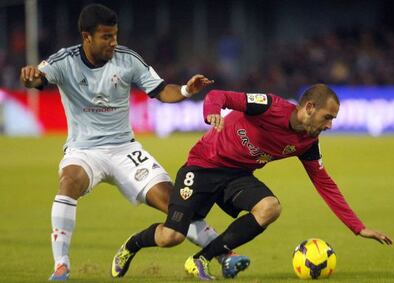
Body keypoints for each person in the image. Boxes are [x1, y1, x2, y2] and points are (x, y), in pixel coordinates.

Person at [20, 4, 249, 281]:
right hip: (84, 150)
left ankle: (224, 255)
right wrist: (31, 77)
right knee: (69, 181)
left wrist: (187, 89)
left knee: (176, 204)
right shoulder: (64, 60)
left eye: (115, 35)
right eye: (106, 36)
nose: (113, 42)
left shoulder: (127, 59)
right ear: (87, 37)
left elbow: (162, 90)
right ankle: (61, 266)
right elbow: (39, 78)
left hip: (125, 149)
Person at [112, 83, 393, 280]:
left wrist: (358, 228)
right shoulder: (269, 106)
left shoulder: (308, 142)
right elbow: (220, 96)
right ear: (309, 107)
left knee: (270, 207)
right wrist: (211, 111)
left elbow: (324, 183)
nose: (330, 125)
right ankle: (132, 245)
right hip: (202, 167)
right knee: (171, 236)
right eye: (327, 117)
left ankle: (201, 259)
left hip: (236, 176)